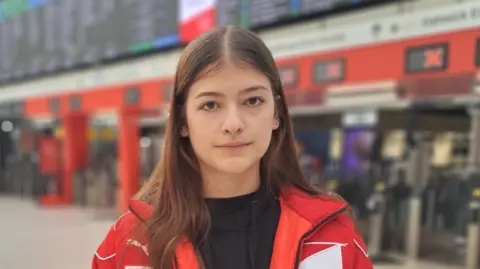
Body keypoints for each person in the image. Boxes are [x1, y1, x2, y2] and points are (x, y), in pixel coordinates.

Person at [92, 26, 373, 269]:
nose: (233, 124)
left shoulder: (330, 235)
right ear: (182, 122)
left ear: (276, 113)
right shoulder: (131, 240)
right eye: (210, 105)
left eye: (253, 101)